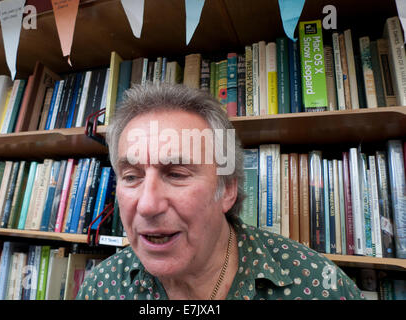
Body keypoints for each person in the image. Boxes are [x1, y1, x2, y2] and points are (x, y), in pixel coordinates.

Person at [76, 83, 365, 300]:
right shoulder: (101, 288)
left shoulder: (318, 286)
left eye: (176, 174)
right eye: (131, 176)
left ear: (227, 188)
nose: (147, 205)